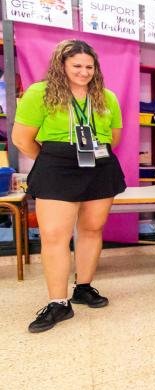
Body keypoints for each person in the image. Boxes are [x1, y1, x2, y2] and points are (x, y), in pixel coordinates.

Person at [12, 40, 125, 333]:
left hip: (98, 166)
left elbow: (115, 136)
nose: (84, 72)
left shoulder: (106, 97)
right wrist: (49, 161)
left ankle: (83, 287)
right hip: (57, 165)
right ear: (61, 65)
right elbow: (22, 139)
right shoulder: (40, 93)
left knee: (91, 229)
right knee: (54, 235)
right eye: (77, 66)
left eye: (89, 67)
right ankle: (58, 303)